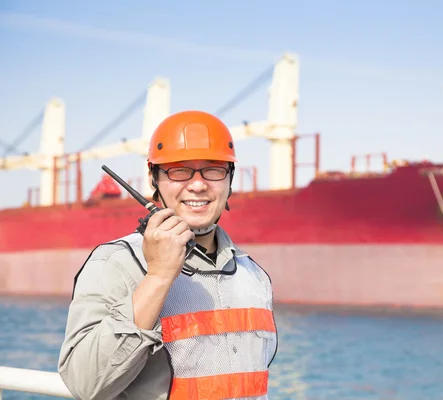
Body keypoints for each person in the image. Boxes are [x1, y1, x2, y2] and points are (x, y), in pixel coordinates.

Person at [58, 110, 278, 400]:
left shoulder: (253, 275)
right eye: (179, 170)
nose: (198, 184)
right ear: (154, 179)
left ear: (230, 180)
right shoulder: (116, 264)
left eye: (213, 169)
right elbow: (85, 385)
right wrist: (159, 276)